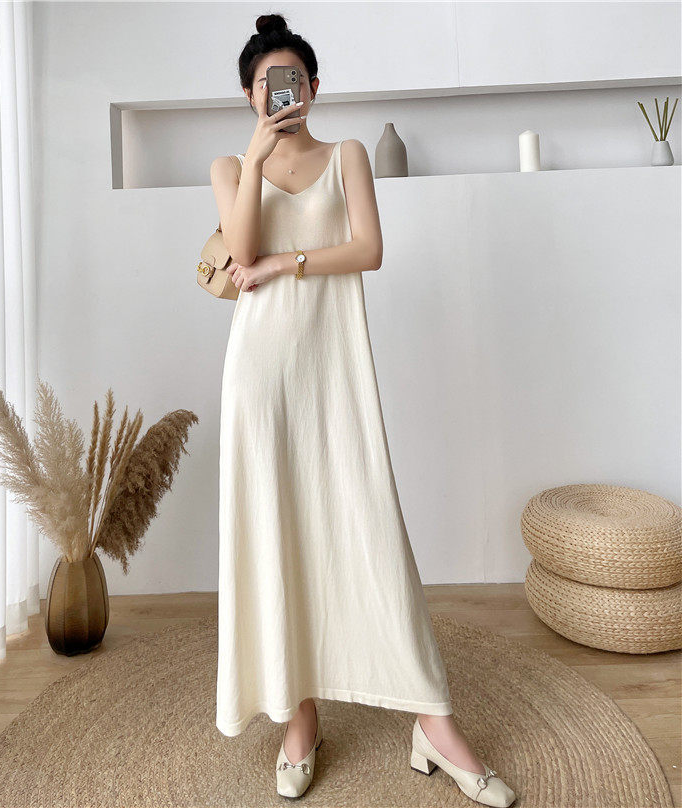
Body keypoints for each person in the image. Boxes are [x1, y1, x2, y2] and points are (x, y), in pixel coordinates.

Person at [209, 13, 516, 807]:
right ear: (248, 95)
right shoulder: (229, 166)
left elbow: (369, 250)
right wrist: (255, 158)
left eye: (293, 81)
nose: (282, 94)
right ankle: (299, 718)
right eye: (266, 85)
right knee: (277, 533)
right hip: (259, 375)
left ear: (314, 86)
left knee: (368, 528)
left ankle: (433, 724)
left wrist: (288, 261)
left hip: (333, 369)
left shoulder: (347, 155)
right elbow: (238, 253)